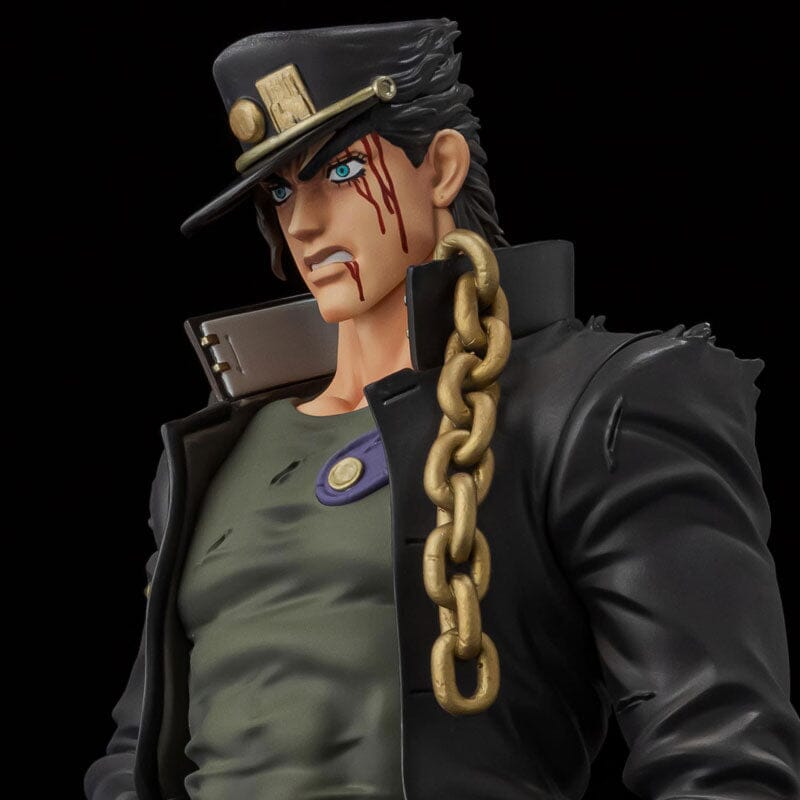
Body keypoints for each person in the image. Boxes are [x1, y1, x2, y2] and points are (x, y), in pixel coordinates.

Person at [84, 18, 800, 800]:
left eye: (343, 170)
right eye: (281, 190)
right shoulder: (215, 450)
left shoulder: (593, 406)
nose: (303, 222)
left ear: (443, 167)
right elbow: (137, 748)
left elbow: (718, 752)